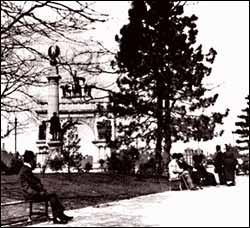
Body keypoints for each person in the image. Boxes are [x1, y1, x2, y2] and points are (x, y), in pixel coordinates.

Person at [19, 150, 73, 224]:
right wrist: (40, 192)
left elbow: (34, 183)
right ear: (30, 160)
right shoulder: (26, 170)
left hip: (31, 193)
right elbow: (33, 184)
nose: (34, 161)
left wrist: (41, 189)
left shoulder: (25, 169)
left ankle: (60, 215)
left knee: (52, 195)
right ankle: (57, 217)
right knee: (52, 196)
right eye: (34, 159)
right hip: (31, 194)